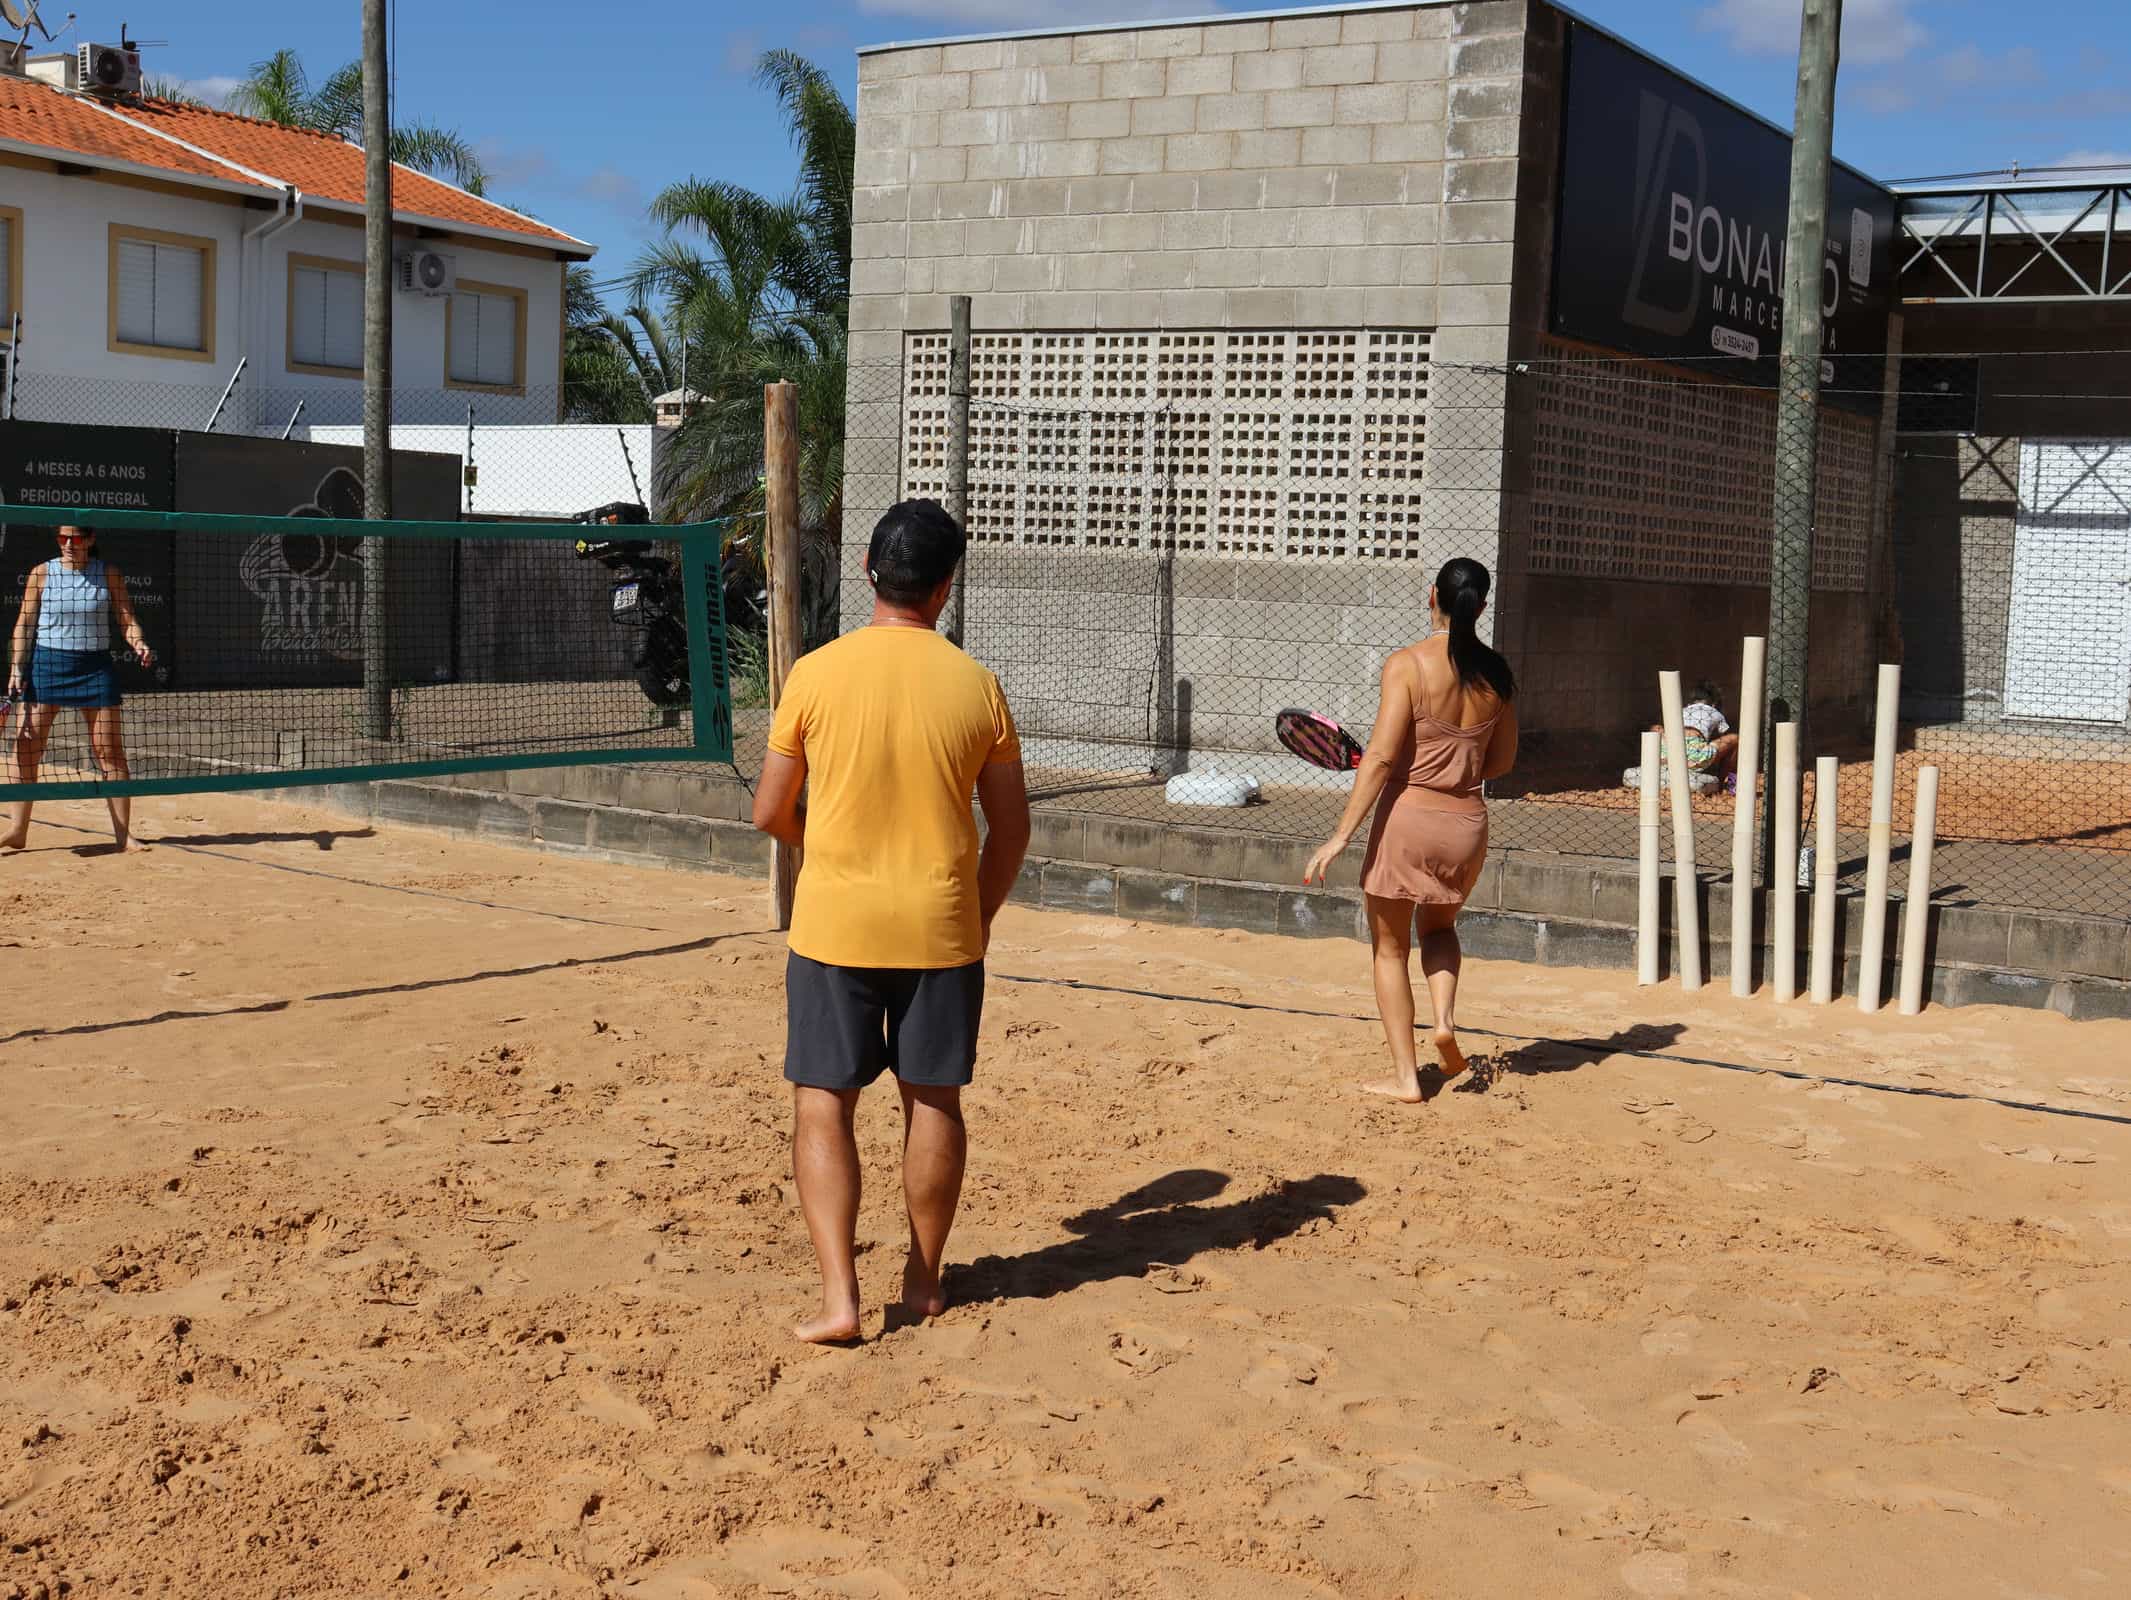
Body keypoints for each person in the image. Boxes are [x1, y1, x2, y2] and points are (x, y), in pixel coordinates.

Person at [751, 499, 1031, 1344]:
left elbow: (770, 811)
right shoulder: (976, 685)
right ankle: (923, 1278)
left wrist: (830, 846)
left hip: (834, 922)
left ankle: (840, 1299)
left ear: (869, 571)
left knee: (822, 1104)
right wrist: (977, 912)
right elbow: (1011, 829)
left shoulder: (815, 674)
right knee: (933, 1099)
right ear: (945, 587)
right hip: (939, 924)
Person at [1303, 557, 1518, 1103]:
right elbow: (1500, 763)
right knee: (1440, 930)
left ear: (1432, 596)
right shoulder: (1497, 674)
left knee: (1389, 949)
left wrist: (1341, 836)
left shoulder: (1406, 664)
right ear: (1482, 607)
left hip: (1409, 818)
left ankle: (1406, 1078)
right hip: (1466, 823)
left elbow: (1379, 757)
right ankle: (1443, 1021)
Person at [5, 524, 155, 853]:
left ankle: (123, 837)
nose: (69, 544)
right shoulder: (41, 573)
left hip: (94, 668)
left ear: (90, 540)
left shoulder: (108, 574)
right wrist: (16, 667)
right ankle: (17, 831)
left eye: (76, 538)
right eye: (63, 538)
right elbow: (24, 624)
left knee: (109, 751)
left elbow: (127, 619)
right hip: (48, 665)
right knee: (26, 748)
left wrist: (138, 643)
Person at [1650, 679, 1740, 786]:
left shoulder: (1682, 710)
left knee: (1657, 728)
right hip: (1694, 758)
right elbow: (1722, 734)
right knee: (1735, 739)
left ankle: (1655, 763)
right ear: (1714, 704)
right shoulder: (1714, 711)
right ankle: (1727, 783)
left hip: (1668, 754)